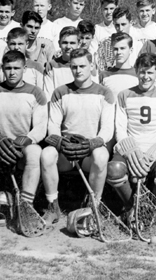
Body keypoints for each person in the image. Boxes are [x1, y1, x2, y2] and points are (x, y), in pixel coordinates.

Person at [40, 49, 114, 225]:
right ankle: (52, 206)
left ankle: (94, 206)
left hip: (89, 151)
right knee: (47, 154)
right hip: (67, 152)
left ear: (92, 66)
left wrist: (92, 144)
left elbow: (107, 129)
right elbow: (53, 125)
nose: (78, 70)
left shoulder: (104, 93)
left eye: (82, 66)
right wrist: (61, 143)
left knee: (102, 155)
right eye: (74, 67)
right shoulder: (60, 92)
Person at [0, 50, 48, 223]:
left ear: (24, 69)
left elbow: (40, 127)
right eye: (8, 68)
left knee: (35, 152)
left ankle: (26, 209)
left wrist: (24, 140)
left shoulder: (36, 92)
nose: (12, 72)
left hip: (22, 149)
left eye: (16, 68)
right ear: (2, 69)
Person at [106, 53, 156, 216]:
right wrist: (132, 152)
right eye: (142, 72)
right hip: (130, 148)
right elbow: (120, 130)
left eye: (150, 72)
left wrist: (152, 152)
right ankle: (130, 208)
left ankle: (151, 211)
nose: (146, 77)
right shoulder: (124, 94)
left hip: (155, 150)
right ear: (136, 71)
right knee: (114, 170)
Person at [96, 6, 145, 71]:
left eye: (123, 24)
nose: (120, 29)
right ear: (113, 24)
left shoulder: (139, 45)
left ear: (130, 23)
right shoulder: (105, 45)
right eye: (117, 25)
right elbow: (102, 70)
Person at [43, 26, 81, 98]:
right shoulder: (51, 66)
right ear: (59, 43)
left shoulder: (85, 65)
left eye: (72, 43)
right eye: (65, 42)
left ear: (79, 44)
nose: (68, 46)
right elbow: (48, 95)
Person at [99, 32, 139, 100]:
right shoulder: (104, 75)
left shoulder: (138, 75)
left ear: (131, 50)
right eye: (115, 49)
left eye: (122, 48)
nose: (119, 52)